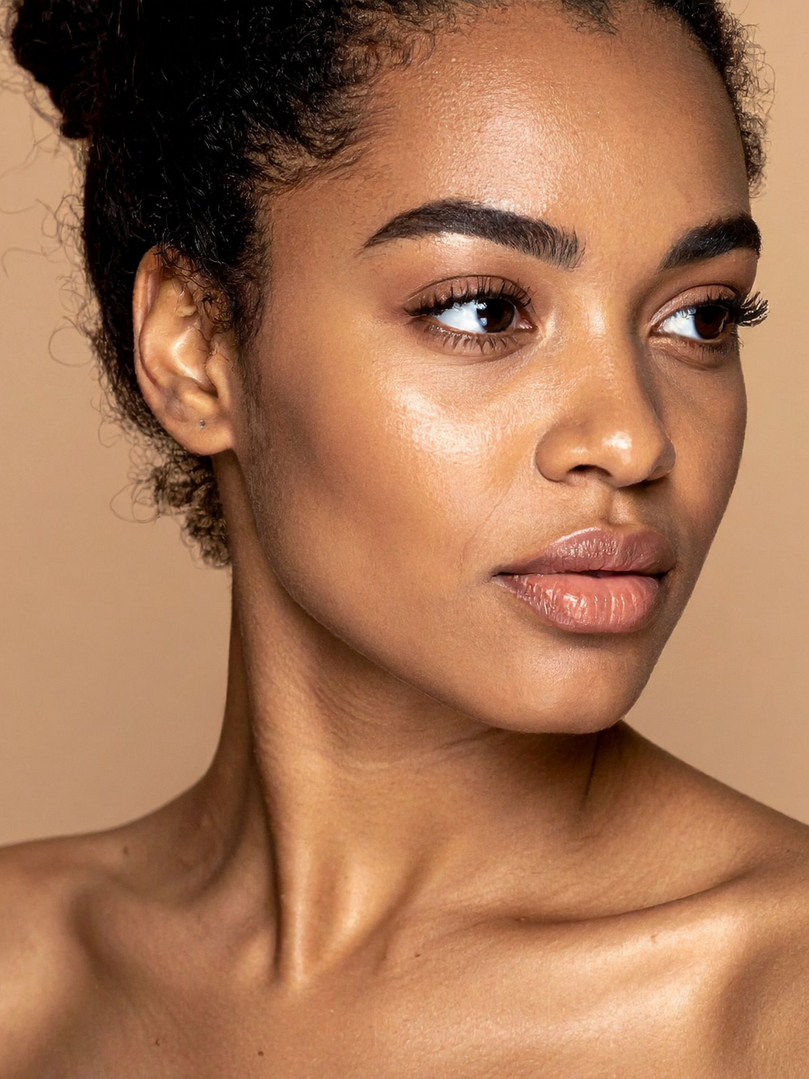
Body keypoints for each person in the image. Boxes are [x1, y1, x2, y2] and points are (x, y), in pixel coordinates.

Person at [2, 0, 808, 1073]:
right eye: (481, 310)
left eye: (699, 316)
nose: (631, 438)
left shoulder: (777, 1002)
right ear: (194, 350)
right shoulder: (24, 978)